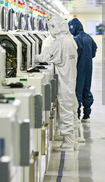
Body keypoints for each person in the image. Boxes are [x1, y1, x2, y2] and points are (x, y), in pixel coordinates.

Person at [35, 17, 79, 151]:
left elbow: (44, 58)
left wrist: (30, 57)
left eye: (52, 27)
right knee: (71, 106)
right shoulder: (70, 40)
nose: (51, 30)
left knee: (65, 108)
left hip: (63, 79)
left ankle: (68, 143)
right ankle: (73, 138)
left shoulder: (60, 42)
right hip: (70, 78)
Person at [68, 18, 97, 122]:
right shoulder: (89, 37)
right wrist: (87, 57)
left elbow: (73, 55)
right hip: (88, 67)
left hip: (78, 68)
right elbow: (94, 50)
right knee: (87, 88)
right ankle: (87, 115)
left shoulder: (76, 39)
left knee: (78, 90)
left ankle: (77, 115)